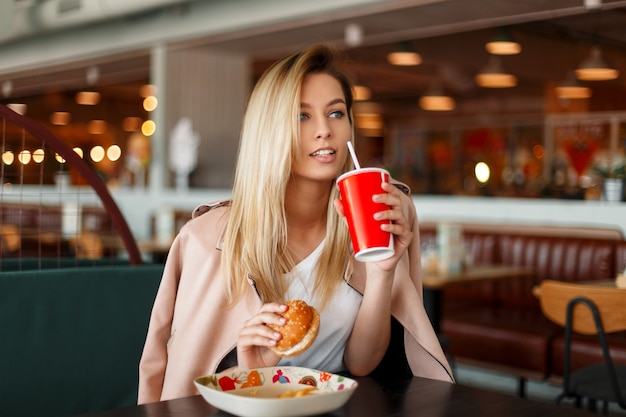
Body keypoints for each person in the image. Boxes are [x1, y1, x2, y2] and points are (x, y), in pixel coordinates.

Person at [138, 44, 453, 404]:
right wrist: (251, 370)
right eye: (302, 117)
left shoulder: (372, 217)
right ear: (269, 131)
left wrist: (382, 272)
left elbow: (362, 364)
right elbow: (177, 372)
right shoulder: (209, 239)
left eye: (336, 113)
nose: (324, 130)